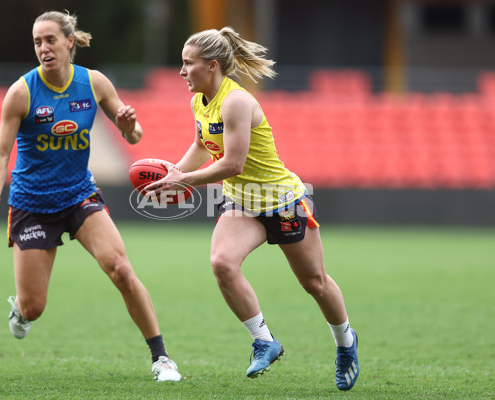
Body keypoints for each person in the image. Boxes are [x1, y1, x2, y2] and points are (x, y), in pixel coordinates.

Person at [0, 10, 181, 382]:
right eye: (37, 42)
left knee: (120, 268)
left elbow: (134, 137)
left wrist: (131, 127)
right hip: (32, 204)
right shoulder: (21, 92)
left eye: (50, 40)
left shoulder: (94, 83)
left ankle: (161, 358)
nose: (43, 48)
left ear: (69, 42)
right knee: (34, 308)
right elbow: (1, 153)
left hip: (80, 195)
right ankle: (19, 309)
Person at [146, 27, 359, 390]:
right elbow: (201, 143)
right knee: (221, 262)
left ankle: (345, 344)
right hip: (243, 204)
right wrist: (177, 171)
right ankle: (264, 341)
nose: (181, 71)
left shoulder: (237, 102)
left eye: (187, 64)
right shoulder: (199, 100)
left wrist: (184, 182)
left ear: (211, 66)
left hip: (283, 202)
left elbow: (234, 164)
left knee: (314, 282)